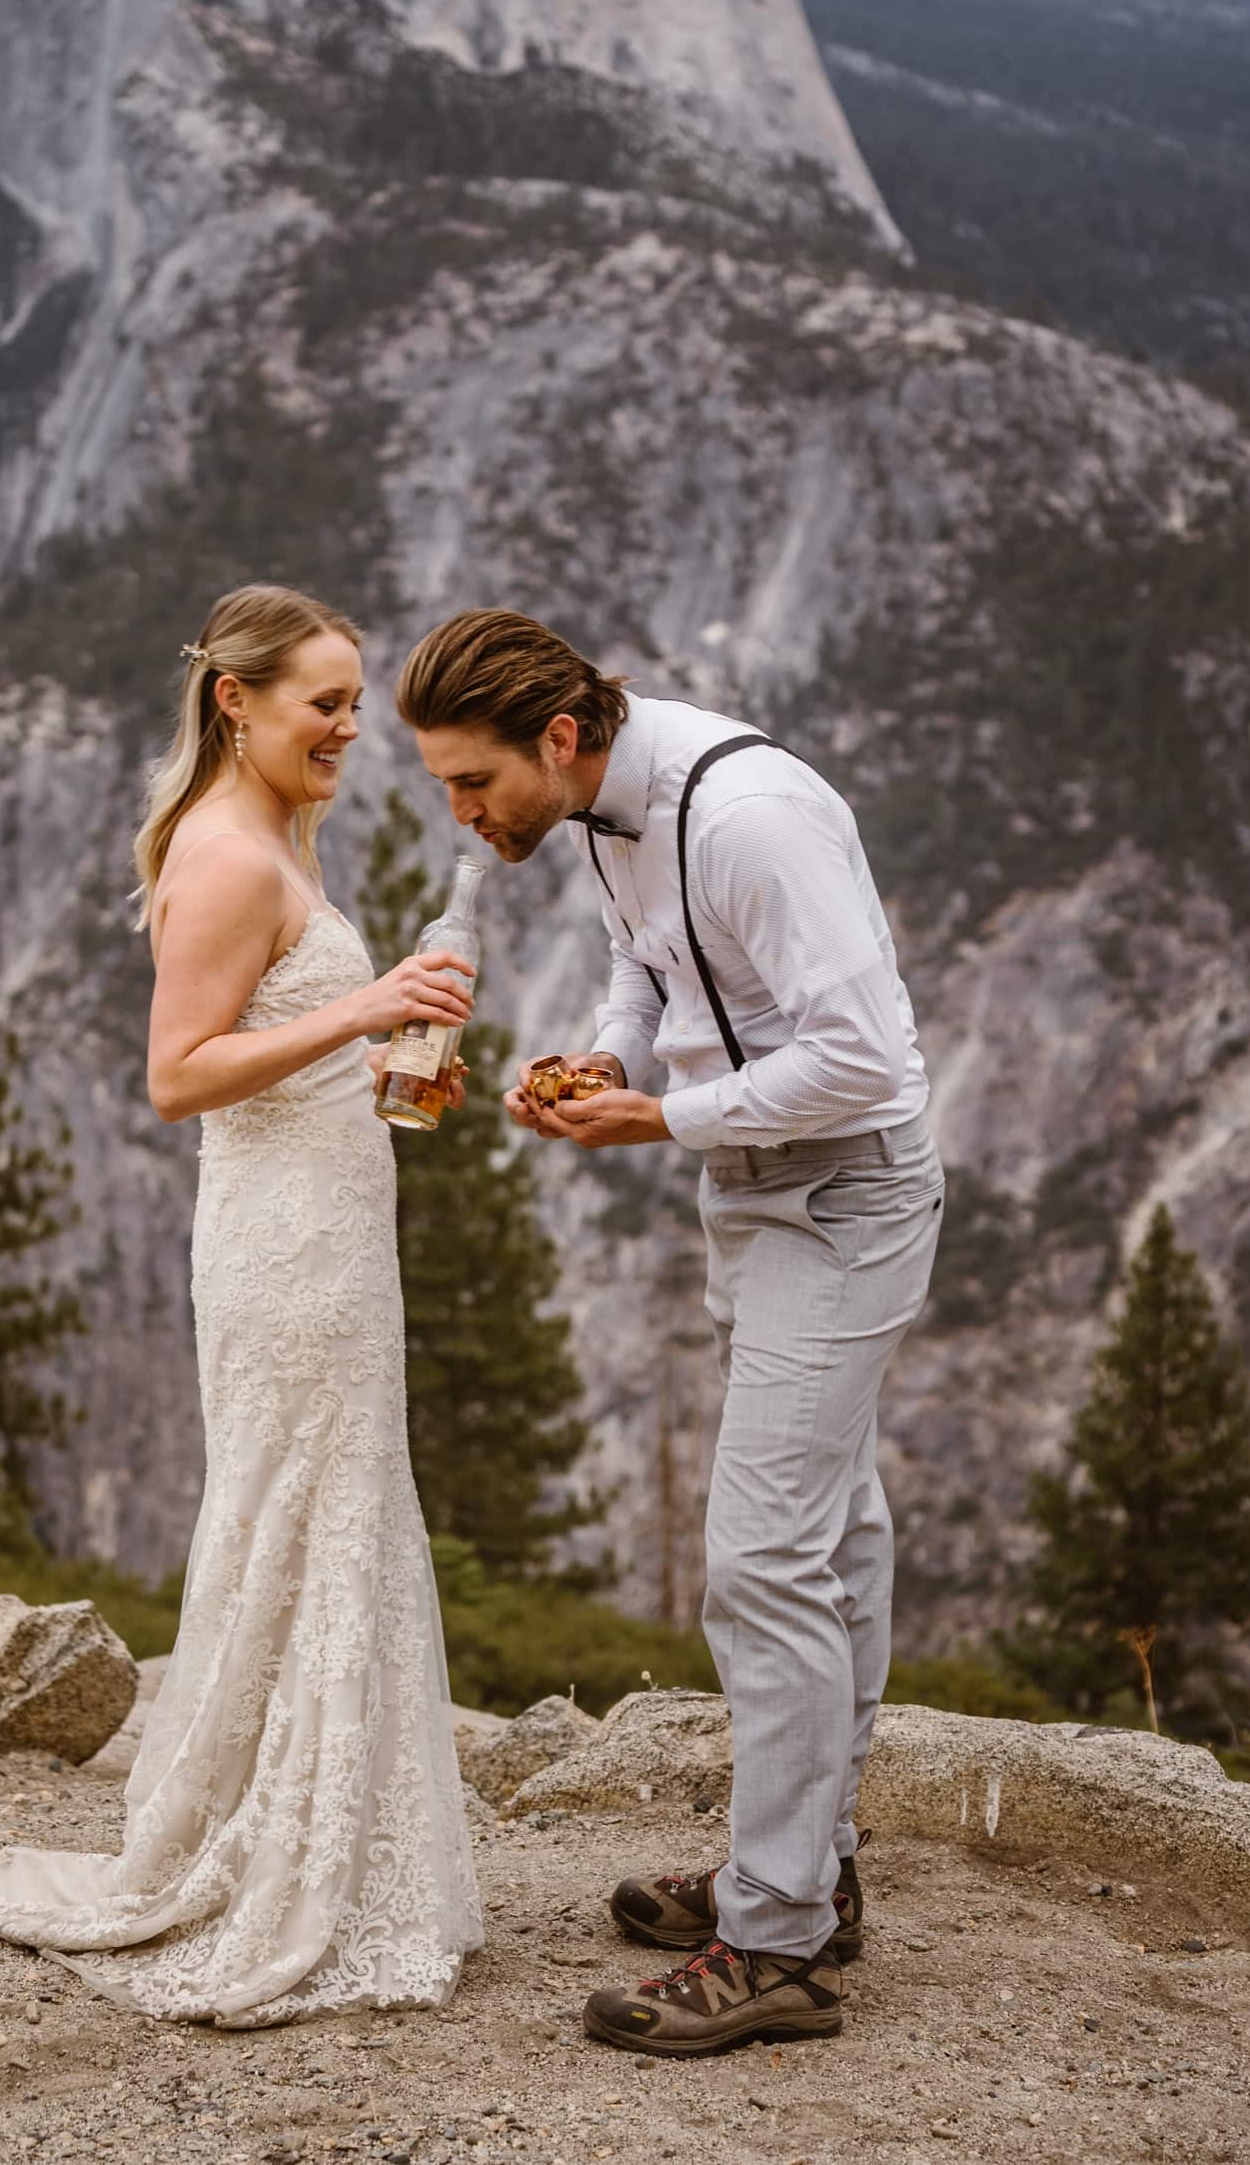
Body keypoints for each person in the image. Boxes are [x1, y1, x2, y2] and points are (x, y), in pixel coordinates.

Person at [0, 584, 484, 2026]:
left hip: (328, 1224)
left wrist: (366, 1067)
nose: (352, 729)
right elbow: (177, 1076)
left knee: (332, 1507)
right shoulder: (231, 852)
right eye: (327, 703)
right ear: (239, 699)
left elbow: (263, 1055)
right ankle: (266, 1854)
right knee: (299, 1507)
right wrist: (361, 1011)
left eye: (355, 703)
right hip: (285, 1252)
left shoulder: (275, 829)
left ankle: (331, 1848)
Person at [397, 607, 943, 2058]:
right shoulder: (604, 807)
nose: (461, 815)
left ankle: (775, 1946)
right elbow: (656, 971)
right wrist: (606, 1051)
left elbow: (865, 1061)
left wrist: (659, 1114)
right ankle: (806, 1870)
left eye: (471, 782)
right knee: (835, 1535)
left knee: (765, 1563)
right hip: (756, 1195)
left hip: (843, 1196)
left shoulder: (745, 816)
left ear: (559, 735)